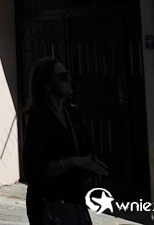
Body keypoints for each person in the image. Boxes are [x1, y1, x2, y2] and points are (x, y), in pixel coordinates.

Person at [22, 58, 108, 224]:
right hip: (48, 204)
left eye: (68, 75)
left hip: (73, 201)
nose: (70, 80)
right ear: (47, 84)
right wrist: (75, 162)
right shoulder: (39, 119)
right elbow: (34, 170)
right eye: (62, 76)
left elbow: (84, 150)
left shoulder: (72, 115)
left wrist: (91, 164)